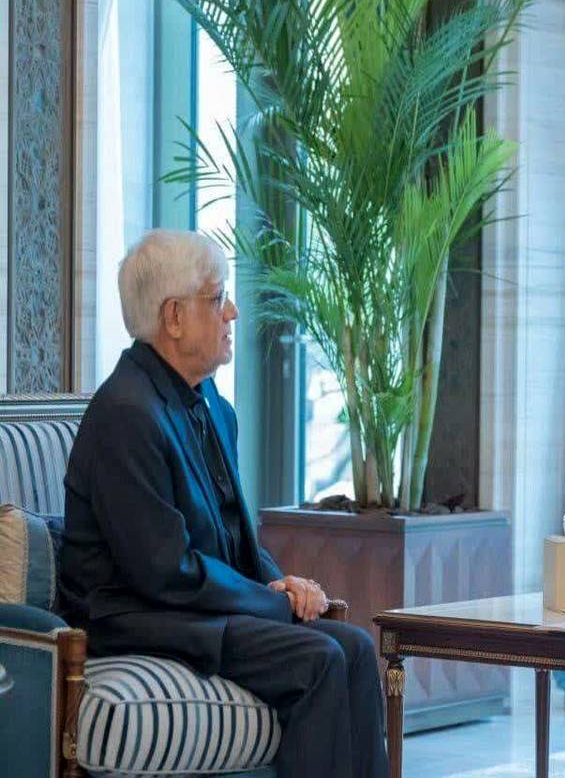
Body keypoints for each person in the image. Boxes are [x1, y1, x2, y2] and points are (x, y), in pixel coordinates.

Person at [59, 229, 387, 778]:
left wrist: (281, 583)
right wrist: (270, 603)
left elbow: (234, 538)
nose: (233, 312)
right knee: (318, 659)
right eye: (218, 298)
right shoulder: (126, 415)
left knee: (353, 648)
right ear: (173, 317)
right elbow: (165, 572)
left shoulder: (211, 403)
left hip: (189, 607)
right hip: (137, 616)